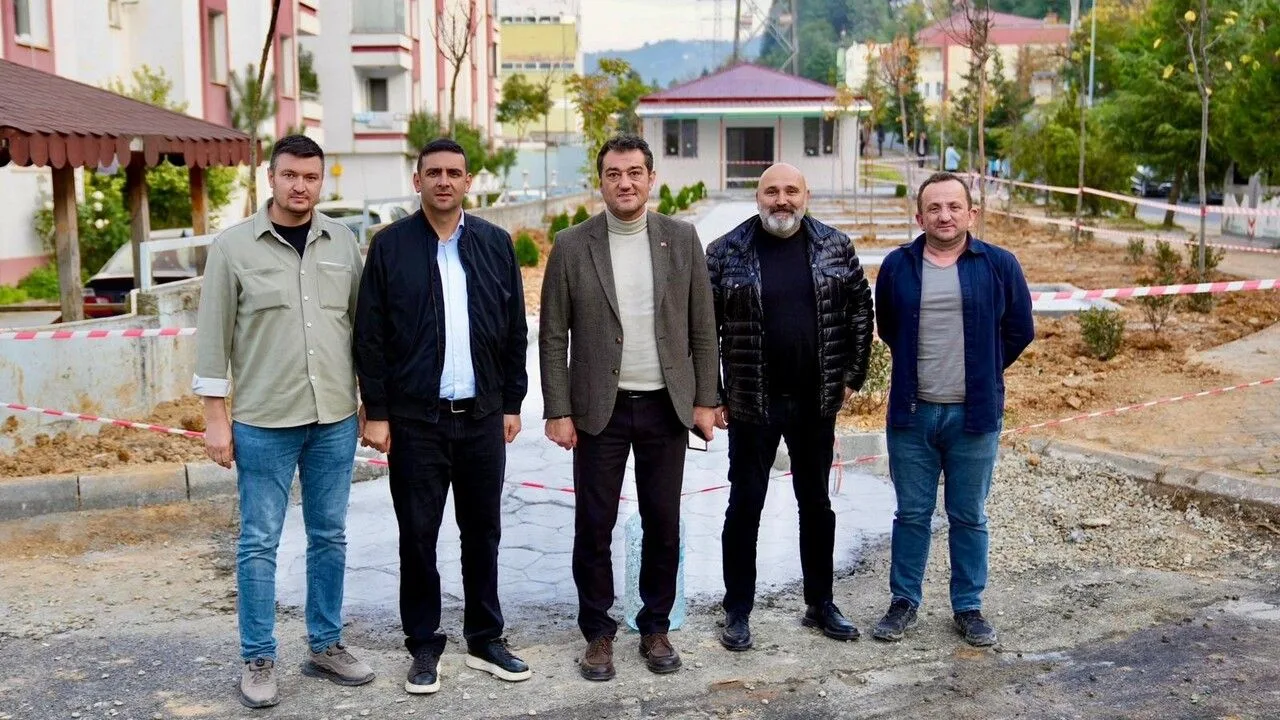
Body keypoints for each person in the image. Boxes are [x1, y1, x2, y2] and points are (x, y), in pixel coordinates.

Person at [193, 134, 375, 709]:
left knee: (330, 535)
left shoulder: (343, 242)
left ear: (322, 181)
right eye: (290, 175)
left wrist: (371, 402)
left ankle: (325, 644)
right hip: (263, 421)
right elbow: (212, 339)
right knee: (258, 541)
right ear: (271, 178)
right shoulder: (232, 248)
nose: (301, 186)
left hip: (334, 418)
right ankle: (258, 657)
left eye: (311, 177)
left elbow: (362, 330)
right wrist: (215, 418)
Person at [354, 138, 531, 695]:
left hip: (481, 416)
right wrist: (378, 412)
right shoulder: (390, 246)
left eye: (455, 172)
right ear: (417, 181)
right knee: (418, 536)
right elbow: (370, 335)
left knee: (483, 533)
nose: (444, 181)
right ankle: (424, 643)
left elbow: (515, 328)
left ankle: (485, 638)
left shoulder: (495, 244)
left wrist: (511, 402)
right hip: (415, 422)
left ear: (468, 181)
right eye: (434, 173)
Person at [539, 134, 719, 681]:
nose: (625, 183)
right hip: (600, 409)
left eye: (635, 172)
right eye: (614, 174)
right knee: (594, 525)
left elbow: (703, 327)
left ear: (651, 178)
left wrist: (706, 400)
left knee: (663, 522)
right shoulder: (572, 245)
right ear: (600, 181)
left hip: (667, 406)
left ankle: (655, 626)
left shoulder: (681, 239)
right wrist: (557, 409)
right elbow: (553, 335)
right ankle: (598, 632)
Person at [706, 163, 875, 651]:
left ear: (806, 195)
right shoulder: (725, 252)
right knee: (745, 506)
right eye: (772, 191)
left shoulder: (835, 247)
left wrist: (852, 376)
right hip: (751, 403)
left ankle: (820, 603)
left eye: (791, 191)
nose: (782, 200)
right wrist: (713, 394)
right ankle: (737, 609)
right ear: (757, 197)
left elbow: (860, 310)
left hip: (815, 403)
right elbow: (704, 330)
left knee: (816, 505)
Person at [870, 171, 1034, 647]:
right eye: (934, 208)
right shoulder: (898, 266)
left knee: (968, 515)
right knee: (912, 514)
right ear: (919, 216)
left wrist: (983, 368)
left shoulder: (999, 265)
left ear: (971, 214)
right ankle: (903, 602)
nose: (945, 216)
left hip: (974, 415)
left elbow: (1020, 329)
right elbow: (888, 327)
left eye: (954, 207)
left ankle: (968, 607)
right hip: (913, 414)